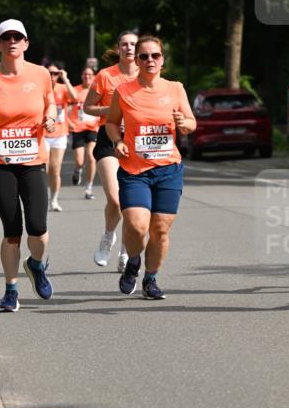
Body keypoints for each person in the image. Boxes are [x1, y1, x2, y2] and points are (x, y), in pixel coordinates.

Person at [0, 19, 57, 313]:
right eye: (6, 38)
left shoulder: (41, 74)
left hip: (33, 161)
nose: (12, 42)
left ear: (26, 43)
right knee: (12, 230)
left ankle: (36, 264)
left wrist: (51, 118)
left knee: (38, 227)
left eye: (18, 37)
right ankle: (10, 289)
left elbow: (51, 103)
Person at [105, 35, 196, 300]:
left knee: (160, 230)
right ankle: (133, 262)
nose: (149, 60)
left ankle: (151, 278)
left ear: (162, 59)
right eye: (143, 56)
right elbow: (111, 122)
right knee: (136, 226)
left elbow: (191, 123)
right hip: (134, 171)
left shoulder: (175, 89)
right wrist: (118, 141)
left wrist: (183, 123)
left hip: (168, 169)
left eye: (155, 55)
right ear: (137, 59)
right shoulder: (124, 90)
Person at [83, 31, 139, 271]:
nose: (129, 48)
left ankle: (125, 254)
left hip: (137, 141)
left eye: (133, 44)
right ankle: (108, 237)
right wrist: (112, 109)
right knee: (115, 200)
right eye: (124, 44)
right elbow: (88, 107)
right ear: (118, 48)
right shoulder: (106, 76)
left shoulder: (146, 75)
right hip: (108, 138)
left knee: (131, 203)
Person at [45, 64, 77, 211]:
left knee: (55, 169)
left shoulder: (62, 88)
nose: (52, 76)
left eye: (55, 73)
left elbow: (75, 97)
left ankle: (54, 200)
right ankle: (40, 199)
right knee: (42, 169)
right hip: (43, 134)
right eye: (50, 73)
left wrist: (65, 79)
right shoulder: (40, 87)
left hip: (60, 134)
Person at [69, 66, 99, 198]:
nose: (87, 76)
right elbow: (64, 107)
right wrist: (68, 122)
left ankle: (89, 188)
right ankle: (77, 170)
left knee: (91, 157)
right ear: (82, 76)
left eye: (90, 74)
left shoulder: (97, 91)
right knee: (79, 160)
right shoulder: (75, 90)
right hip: (78, 128)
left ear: (94, 76)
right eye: (85, 74)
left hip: (93, 127)